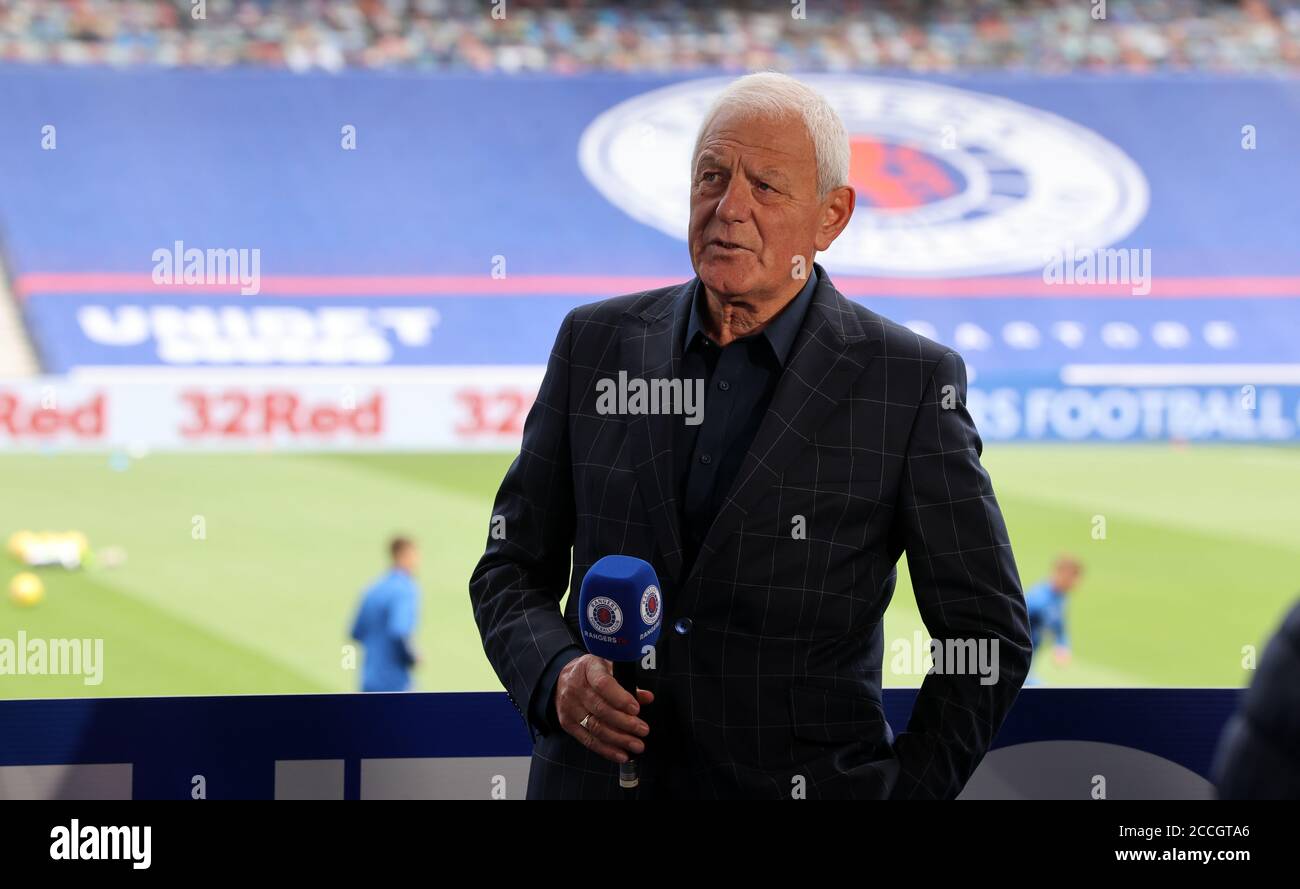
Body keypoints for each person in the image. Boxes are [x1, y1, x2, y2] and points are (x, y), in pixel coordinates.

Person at [469, 72, 1031, 799]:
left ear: (832, 217)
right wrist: (556, 674)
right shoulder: (593, 343)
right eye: (711, 176)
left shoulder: (907, 384)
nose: (728, 208)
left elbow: (987, 636)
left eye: (765, 186)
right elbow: (509, 567)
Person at [350, 536, 421, 692]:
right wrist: (413, 657)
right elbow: (399, 631)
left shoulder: (373, 588)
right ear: (404, 555)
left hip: (369, 680)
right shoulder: (406, 589)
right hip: (395, 684)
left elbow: (355, 632)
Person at [1024, 554, 1084, 670]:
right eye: (1074, 577)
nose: (1077, 582)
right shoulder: (1037, 599)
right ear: (1061, 574)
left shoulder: (1060, 597)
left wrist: (1062, 645)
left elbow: (1059, 627)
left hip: (1028, 660)